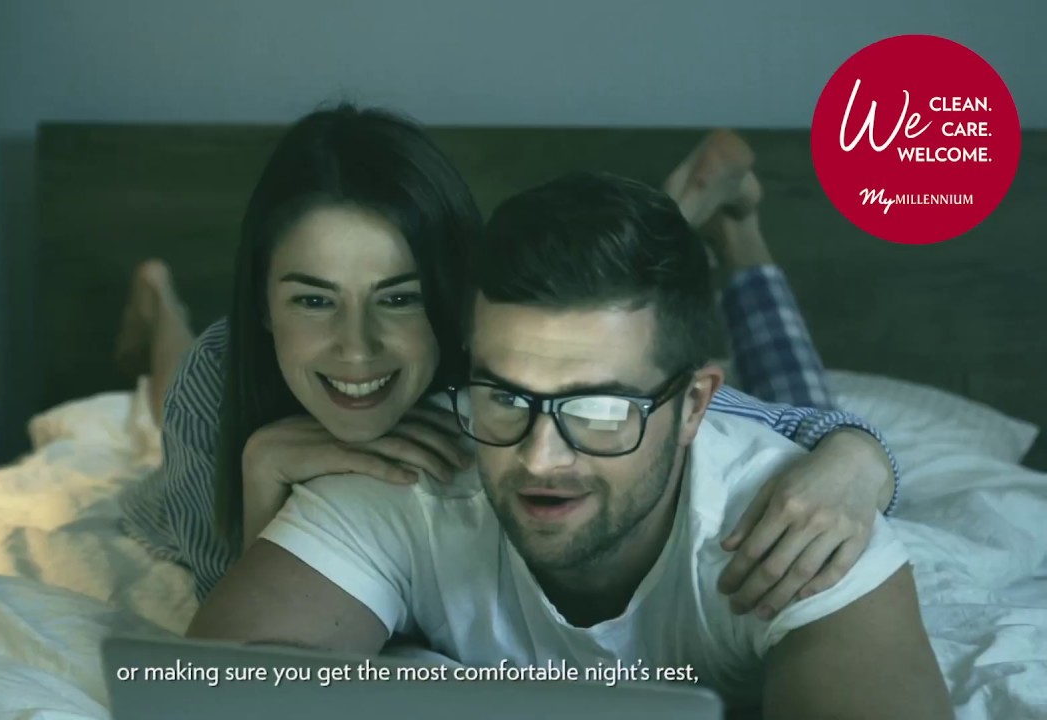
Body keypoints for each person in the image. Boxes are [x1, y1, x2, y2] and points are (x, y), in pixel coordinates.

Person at [187, 170, 952, 718]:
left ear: (692, 406)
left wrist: (858, 457)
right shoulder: (404, 470)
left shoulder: (794, 531)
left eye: (599, 408)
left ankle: (736, 229)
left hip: (777, 440)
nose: (540, 459)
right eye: (504, 396)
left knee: (808, 399)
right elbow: (215, 695)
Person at [116, 104, 901, 618]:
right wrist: (261, 475)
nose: (357, 348)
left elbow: (811, 428)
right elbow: (238, 659)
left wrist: (855, 466)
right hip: (214, 386)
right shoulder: (219, 379)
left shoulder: (510, 365)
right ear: (262, 303)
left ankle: (727, 224)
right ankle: (160, 306)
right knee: (172, 379)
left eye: (399, 297)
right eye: (313, 300)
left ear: (453, 301)